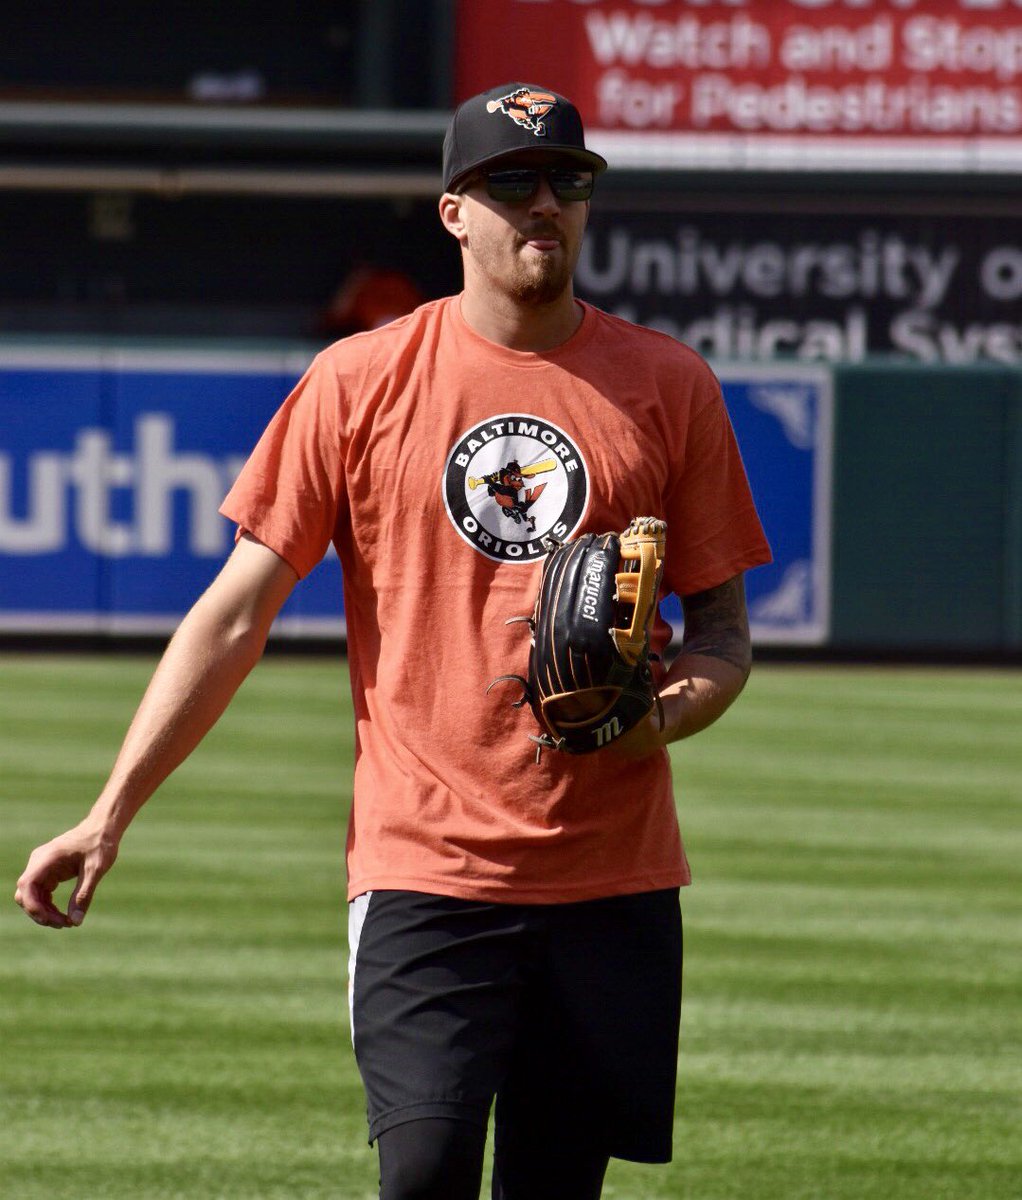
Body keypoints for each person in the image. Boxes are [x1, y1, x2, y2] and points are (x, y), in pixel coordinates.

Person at [15, 82, 772, 1199]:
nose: (543, 206)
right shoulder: (360, 382)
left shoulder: (667, 385)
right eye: (510, 183)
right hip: (430, 869)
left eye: (566, 181)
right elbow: (232, 615)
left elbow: (719, 634)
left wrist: (653, 721)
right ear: (454, 211)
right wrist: (109, 810)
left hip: (610, 878)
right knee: (419, 1174)